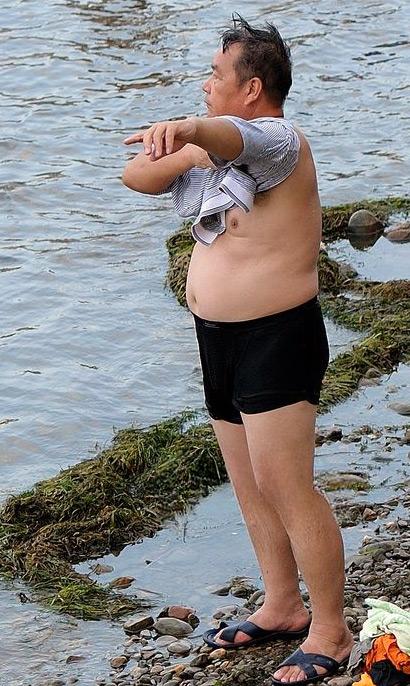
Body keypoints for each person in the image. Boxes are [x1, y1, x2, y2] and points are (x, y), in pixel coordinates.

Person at [122, 14, 353, 685]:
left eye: (216, 74)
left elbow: (236, 138)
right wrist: (187, 146)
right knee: (248, 480)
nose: (205, 83)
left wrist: (195, 132)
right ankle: (282, 604)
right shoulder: (216, 153)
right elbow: (137, 178)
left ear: (251, 89)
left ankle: (331, 631)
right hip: (217, 338)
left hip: (277, 337)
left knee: (287, 484)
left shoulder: (279, 142)